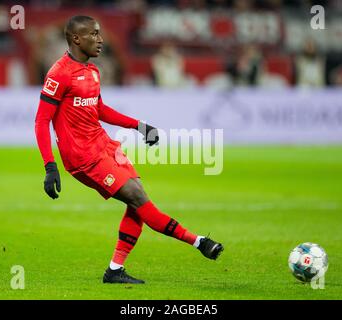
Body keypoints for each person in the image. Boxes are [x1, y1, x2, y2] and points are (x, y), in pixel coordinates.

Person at [34, 16, 224, 284]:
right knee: (137, 197)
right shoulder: (58, 74)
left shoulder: (92, 71)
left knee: (137, 203)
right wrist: (49, 166)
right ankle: (199, 242)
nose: (100, 40)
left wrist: (138, 125)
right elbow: (41, 120)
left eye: (100, 34)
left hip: (104, 146)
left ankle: (114, 271)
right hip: (82, 157)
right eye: (94, 35)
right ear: (77, 39)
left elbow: (98, 109)